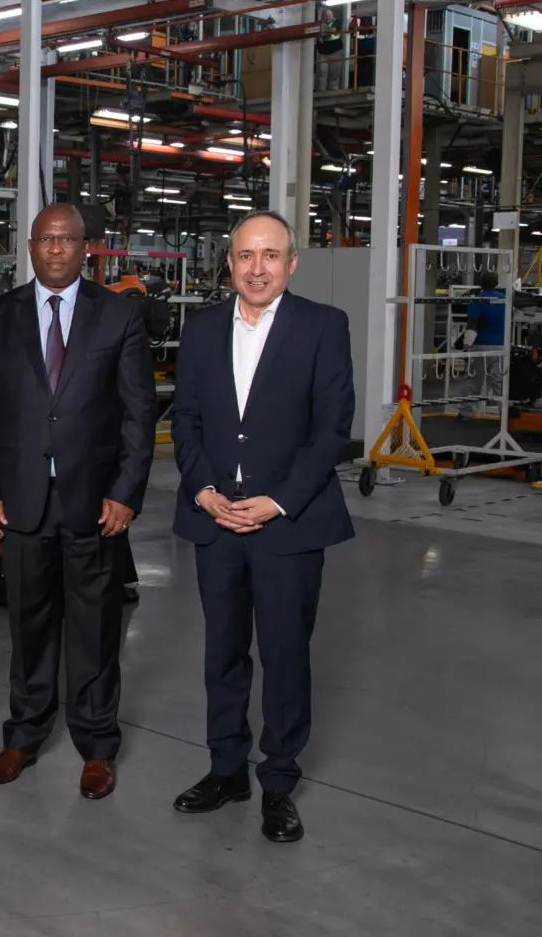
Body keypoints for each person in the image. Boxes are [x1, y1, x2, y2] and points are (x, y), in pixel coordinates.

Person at [0, 203, 157, 800]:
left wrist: (125, 493)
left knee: (95, 628)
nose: (54, 249)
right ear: (30, 245)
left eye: (66, 240)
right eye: (44, 239)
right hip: (19, 503)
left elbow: (138, 416)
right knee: (28, 625)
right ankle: (23, 735)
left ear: (84, 247)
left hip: (94, 504)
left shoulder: (118, 316)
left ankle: (97, 746)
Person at [169, 209, 355, 844]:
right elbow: (185, 418)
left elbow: (332, 429)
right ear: (229, 262)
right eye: (246, 255)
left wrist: (278, 501)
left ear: (291, 263)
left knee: (283, 655)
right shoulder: (200, 330)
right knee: (223, 653)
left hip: (286, 524)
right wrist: (202, 490)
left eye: (270, 255)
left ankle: (278, 781)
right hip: (216, 519)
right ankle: (227, 769)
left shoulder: (324, 328)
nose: (257, 268)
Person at [457, 272, 507, 420]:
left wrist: (466, 345)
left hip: (481, 346)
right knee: (498, 382)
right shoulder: (504, 300)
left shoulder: (478, 300)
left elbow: (472, 325)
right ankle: (504, 415)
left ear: (481, 283)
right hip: (500, 347)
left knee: (473, 380)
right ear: (496, 283)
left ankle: (466, 413)